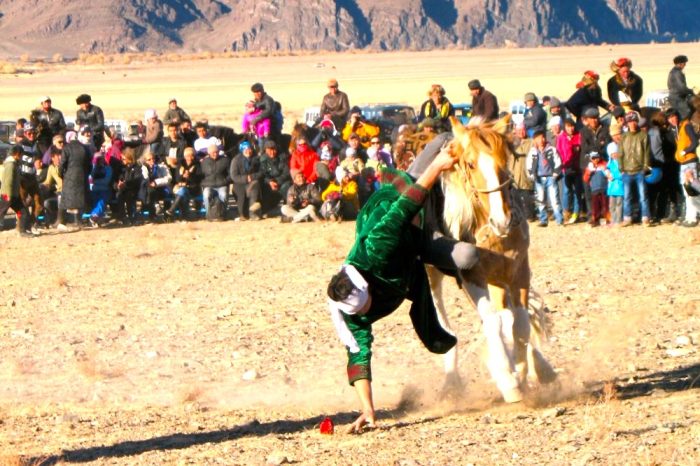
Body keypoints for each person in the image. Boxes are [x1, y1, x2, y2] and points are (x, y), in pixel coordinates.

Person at [326, 146, 479, 433]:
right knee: (468, 257)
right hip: (415, 255)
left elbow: (407, 206)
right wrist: (368, 410)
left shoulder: (377, 246)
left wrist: (439, 165)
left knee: (444, 143)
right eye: (359, 312)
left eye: (365, 305)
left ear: (367, 285)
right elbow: (358, 354)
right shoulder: (351, 313)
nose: (366, 313)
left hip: (410, 221)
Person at [619, 111, 651, 226]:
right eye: (630, 121)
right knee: (627, 196)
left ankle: (645, 217)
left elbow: (647, 153)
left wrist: (645, 168)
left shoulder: (643, 136)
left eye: (634, 121)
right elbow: (620, 154)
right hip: (627, 171)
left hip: (639, 171)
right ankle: (627, 218)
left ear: (637, 122)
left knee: (643, 196)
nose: (632, 123)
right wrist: (621, 168)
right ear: (627, 123)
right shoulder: (624, 137)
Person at [527, 129, 564, 226]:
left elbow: (558, 162)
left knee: (554, 199)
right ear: (535, 140)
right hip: (538, 179)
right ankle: (543, 219)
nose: (542, 140)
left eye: (543, 137)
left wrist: (555, 174)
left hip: (550, 178)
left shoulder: (551, 149)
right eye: (539, 138)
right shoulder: (533, 152)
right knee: (541, 199)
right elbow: (529, 165)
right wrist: (532, 175)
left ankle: (559, 219)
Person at [58, 130, 91, 229]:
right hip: (82, 176)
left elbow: (62, 164)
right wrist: (86, 174)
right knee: (81, 199)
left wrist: (61, 174)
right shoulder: (84, 148)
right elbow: (89, 164)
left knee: (65, 199)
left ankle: (61, 221)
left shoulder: (66, 148)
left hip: (69, 176)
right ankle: (80, 221)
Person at [675, 97, 700, 227]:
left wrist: (685, 151)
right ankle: (689, 217)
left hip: (689, 161)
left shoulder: (687, 125)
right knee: (687, 192)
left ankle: (693, 217)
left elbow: (694, 142)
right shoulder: (682, 126)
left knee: (691, 191)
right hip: (684, 162)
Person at [0, 145, 32, 236]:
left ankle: (22, 231)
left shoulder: (14, 164)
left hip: (13, 194)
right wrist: (9, 195)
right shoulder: (11, 164)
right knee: (2, 211)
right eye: (21, 155)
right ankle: (22, 231)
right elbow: (8, 180)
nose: (22, 157)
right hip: (8, 194)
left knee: (22, 211)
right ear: (17, 154)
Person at [557, 118, 583, 224]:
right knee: (567, 191)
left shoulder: (578, 136)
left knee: (577, 191)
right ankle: (566, 213)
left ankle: (576, 213)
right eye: (568, 126)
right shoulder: (561, 138)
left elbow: (581, 149)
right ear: (565, 127)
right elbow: (558, 152)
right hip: (566, 168)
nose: (571, 128)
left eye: (572, 126)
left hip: (577, 167)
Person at [508, 122, 536, 221]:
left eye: (523, 130)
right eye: (519, 130)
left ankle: (530, 215)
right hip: (515, 173)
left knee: (527, 195)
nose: (521, 132)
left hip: (525, 172)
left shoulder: (531, 142)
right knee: (515, 196)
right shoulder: (512, 143)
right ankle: (518, 216)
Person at [230, 141, 263, 221]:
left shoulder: (256, 159)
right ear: (242, 150)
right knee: (241, 196)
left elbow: (261, 172)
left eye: (250, 149)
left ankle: (253, 213)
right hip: (239, 183)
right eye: (246, 149)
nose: (248, 151)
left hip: (252, 181)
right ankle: (242, 214)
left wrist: (251, 177)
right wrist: (245, 178)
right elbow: (233, 176)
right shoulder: (236, 160)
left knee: (255, 187)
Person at [167, 147, 201, 220]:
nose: (190, 158)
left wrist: (189, 176)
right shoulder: (180, 165)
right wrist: (182, 175)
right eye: (188, 156)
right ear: (185, 156)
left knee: (183, 192)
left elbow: (198, 180)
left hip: (193, 188)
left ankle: (171, 211)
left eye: (192, 155)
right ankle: (183, 217)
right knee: (183, 192)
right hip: (180, 188)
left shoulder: (197, 165)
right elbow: (177, 179)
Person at [259, 140, 291, 215]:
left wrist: (277, 182)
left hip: (281, 181)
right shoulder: (262, 160)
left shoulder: (283, 157)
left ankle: (287, 207)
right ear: (266, 150)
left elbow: (286, 173)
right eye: (270, 150)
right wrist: (270, 182)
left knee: (287, 185)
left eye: (274, 149)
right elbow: (263, 174)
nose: (272, 152)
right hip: (269, 183)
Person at [140, 150, 172, 222]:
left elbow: (168, 178)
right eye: (149, 159)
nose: (152, 161)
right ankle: (154, 211)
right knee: (150, 191)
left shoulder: (162, 166)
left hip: (161, 189)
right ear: (145, 161)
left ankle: (154, 213)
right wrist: (149, 183)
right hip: (149, 191)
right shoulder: (143, 168)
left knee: (151, 192)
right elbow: (145, 180)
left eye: (153, 158)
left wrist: (156, 182)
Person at [200, 143, 229, 220]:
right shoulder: (204, 162)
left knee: (223, 195)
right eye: (213, 152)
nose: (215, 154)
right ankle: (209, 214)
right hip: (208, 184)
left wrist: (226, 181)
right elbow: (200, 174)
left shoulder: (225, 160)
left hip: (222, 183)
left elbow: (230, 173)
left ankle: (222, 213)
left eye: (217, 152)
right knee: (206, 195)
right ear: (209, 153)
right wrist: (203, 183)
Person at [113, 149, 142, 225]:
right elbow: (114, 181)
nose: (122, 160)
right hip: (122, 189)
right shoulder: (120, 168)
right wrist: (118, 186)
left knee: (129, 196)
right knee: (119, 195)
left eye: (124, 158)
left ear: (129, 158)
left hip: (133, 189)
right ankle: (123, 217)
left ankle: (132, 217)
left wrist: (126, 184)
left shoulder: (136, 168)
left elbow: (137, 180)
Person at [583, 152, 609, 227]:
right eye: (593, 158)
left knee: (605, 205)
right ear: (591, 159)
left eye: (597, 157)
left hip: (604, 188)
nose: (595, 160)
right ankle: (595, 220)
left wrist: (605, 169)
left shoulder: (604, 164)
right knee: (595, 206)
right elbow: (585, 179)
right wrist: (589, 172)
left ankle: (607, 219)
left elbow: (608, 174)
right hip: (594, 189)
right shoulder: (589, 167)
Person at [88, 152, 112, 227]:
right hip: (94, 190)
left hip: (104, 189)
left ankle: (94, 217)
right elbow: (90, 178)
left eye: (101, 158)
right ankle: (96, 220)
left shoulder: (108, 168)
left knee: (101, 204)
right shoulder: (92, 168)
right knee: (96, 205)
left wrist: (95, 181)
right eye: (97, 159)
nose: (99, 161)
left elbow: (106, 181)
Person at [667, 55, 694, 120]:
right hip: (677, 98)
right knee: (687, 113)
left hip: (675, 97)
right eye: (684, 63)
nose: (685, 65)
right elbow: (681, 88)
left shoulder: (673, 71)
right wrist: (691, 91)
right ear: (680, 64)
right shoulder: (677, 73)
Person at [606, 133, 625, 225]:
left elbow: (622, 174)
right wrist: (607, 174)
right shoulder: (610, 163)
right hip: (612, 187)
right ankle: (613, 219)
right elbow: (606, 170)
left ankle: (619, 219)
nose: (614, 155)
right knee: (611, 205)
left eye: (615, 153)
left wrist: (615, 176)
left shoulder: (621, 163)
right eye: (612, 154)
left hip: (620, 187)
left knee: (619, 204)